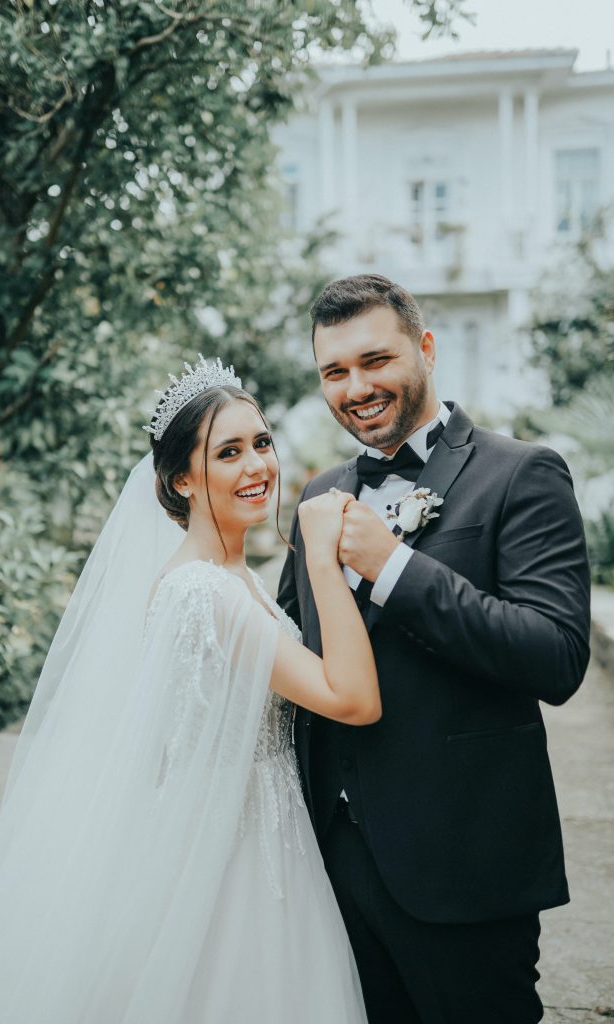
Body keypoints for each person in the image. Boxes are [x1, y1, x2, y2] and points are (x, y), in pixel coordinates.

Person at [0, 356, 375, 1023]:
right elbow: (351, 699)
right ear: (181, 481)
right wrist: (319, 556)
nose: (257, 466)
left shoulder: (233, 578)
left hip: (265, 837)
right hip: (235, 864)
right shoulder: (203, 593)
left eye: (261, 443)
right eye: (228, 452)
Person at [278, 274, 591, 1024]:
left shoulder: (521, 473)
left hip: (466, 861)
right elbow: (293, 653)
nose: (355, 387)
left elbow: (554, 657)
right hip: (334, 862)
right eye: (334, 372)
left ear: (425, 348)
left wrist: (394, 567)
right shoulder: (319, 498)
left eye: (374, 360)